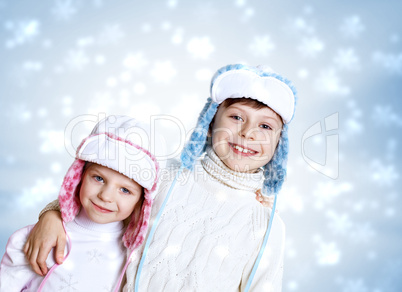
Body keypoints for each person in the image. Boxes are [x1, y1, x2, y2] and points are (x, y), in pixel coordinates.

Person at [23, 64, 298, 291]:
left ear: (279, 142)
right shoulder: (165, 176)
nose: (248, 132)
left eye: (265, 125)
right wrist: (52, 216)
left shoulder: (266, 223)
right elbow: (99, 201)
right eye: (236, 117)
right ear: (211, 123)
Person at [0, 115, 163, 292]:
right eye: (98, 178)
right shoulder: (42, 237)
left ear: (142, 201)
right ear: (79, 176)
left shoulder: (137, 255)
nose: (106, 196)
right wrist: (52, 214)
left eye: (125, 190)